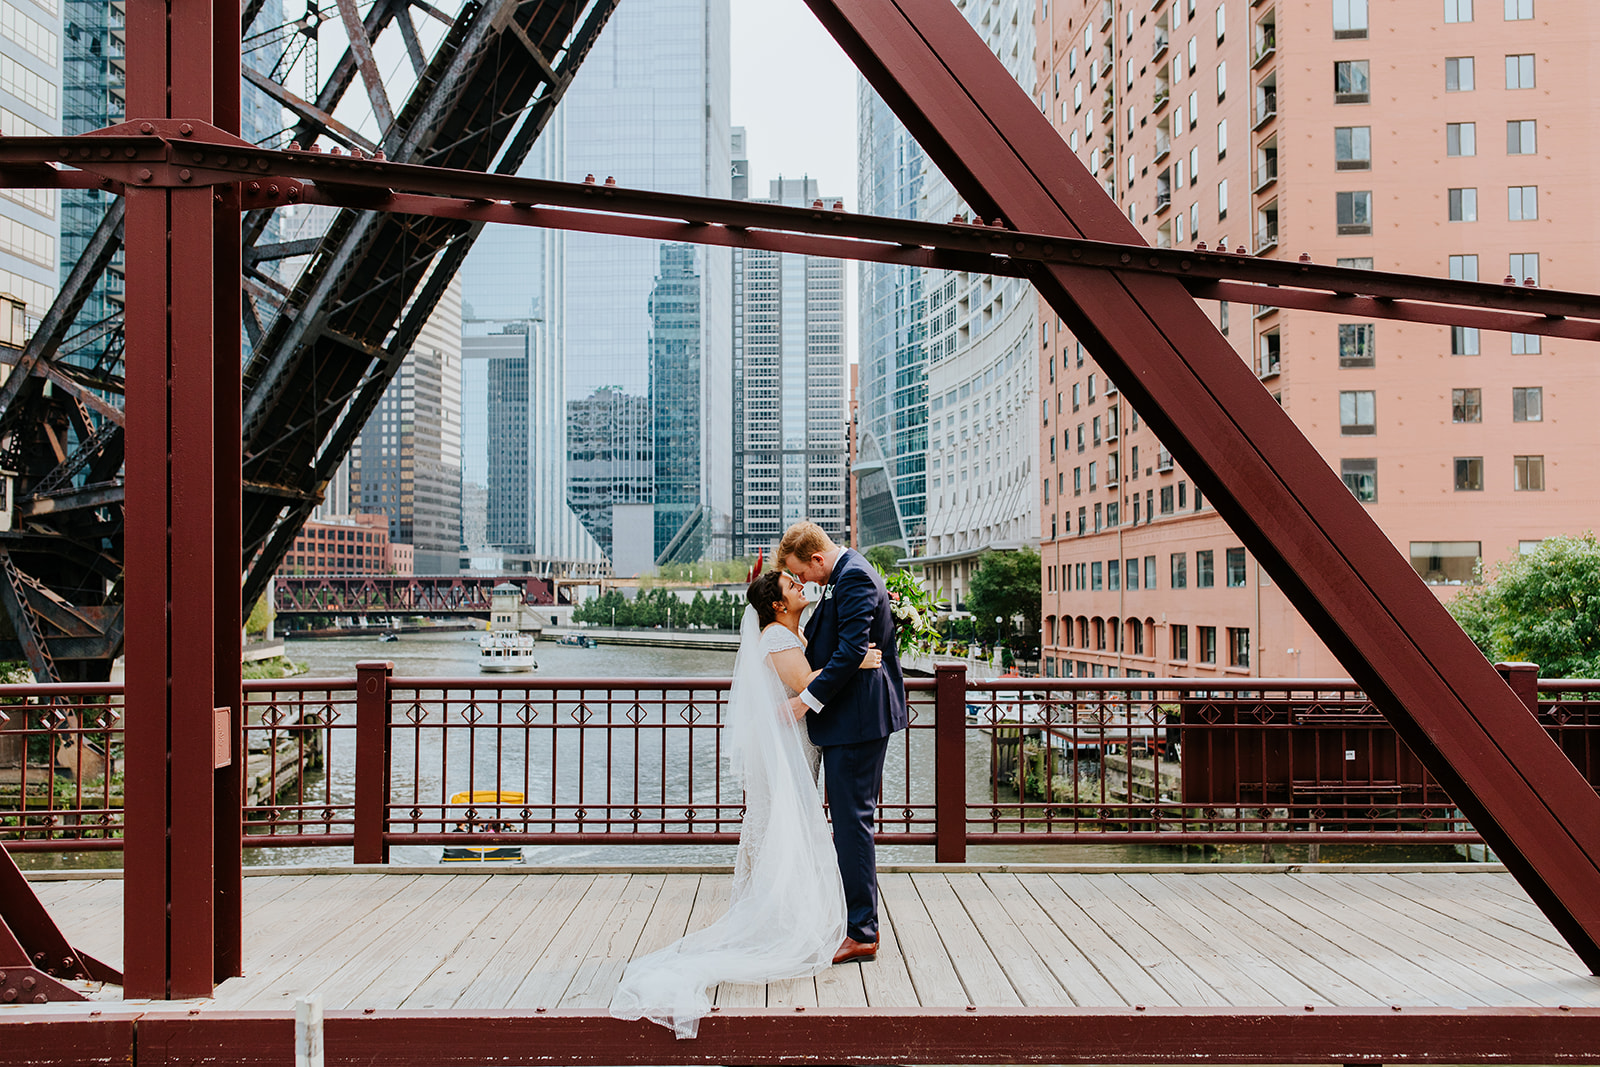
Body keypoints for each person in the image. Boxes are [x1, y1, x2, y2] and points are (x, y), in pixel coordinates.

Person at [610, 571, 882, 1038]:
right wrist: (858, 661)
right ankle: (780, 920)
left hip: (794, 740)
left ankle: (785, 912)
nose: (800, 588)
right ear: (777, 604)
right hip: (786, 743)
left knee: (784, 825)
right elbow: (804, 683)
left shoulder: (790, 628)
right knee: (783, 825)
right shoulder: (777, 635)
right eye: (791, 587)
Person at [778, 521, 908, 965]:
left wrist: (805, 701)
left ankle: (863, 932)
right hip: (853, 716)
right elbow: (844, 646)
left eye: (802, 573)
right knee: (851, 820)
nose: (803, 583)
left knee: (852, 823)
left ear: (816, 558)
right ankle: (856, 922)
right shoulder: (846, 572)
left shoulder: (850, 575)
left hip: (857, 719)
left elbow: (852, 649)